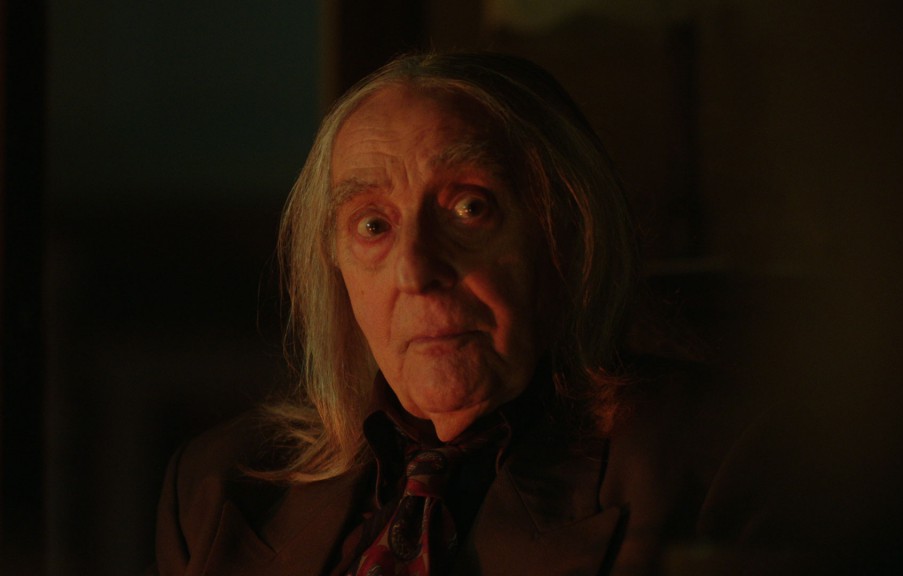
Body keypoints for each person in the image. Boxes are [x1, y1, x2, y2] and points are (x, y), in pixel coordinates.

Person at [150, 52, 772, 576]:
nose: (416, 272)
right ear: (335, 266)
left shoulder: (720, 465)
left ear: (567, 231)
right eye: (373, 225)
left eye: (469, 208)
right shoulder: (219, 486)